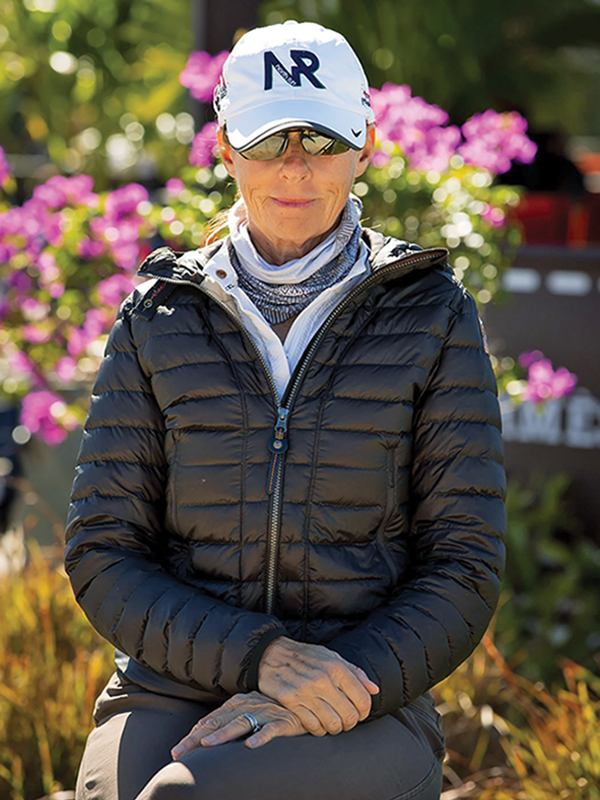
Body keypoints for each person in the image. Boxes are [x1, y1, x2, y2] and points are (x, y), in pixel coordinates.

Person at [65, 20, 506, 800]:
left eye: (322, 139)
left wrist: (332, 680)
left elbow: (464, 564)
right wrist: (262, 657)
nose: (296, 168)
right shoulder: (156, 315)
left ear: (364, 146)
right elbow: (104, 551)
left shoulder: (433, 312)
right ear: (226, 149)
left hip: (366, 691)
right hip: (169, 683)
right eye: (269, 141)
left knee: (184, 796)